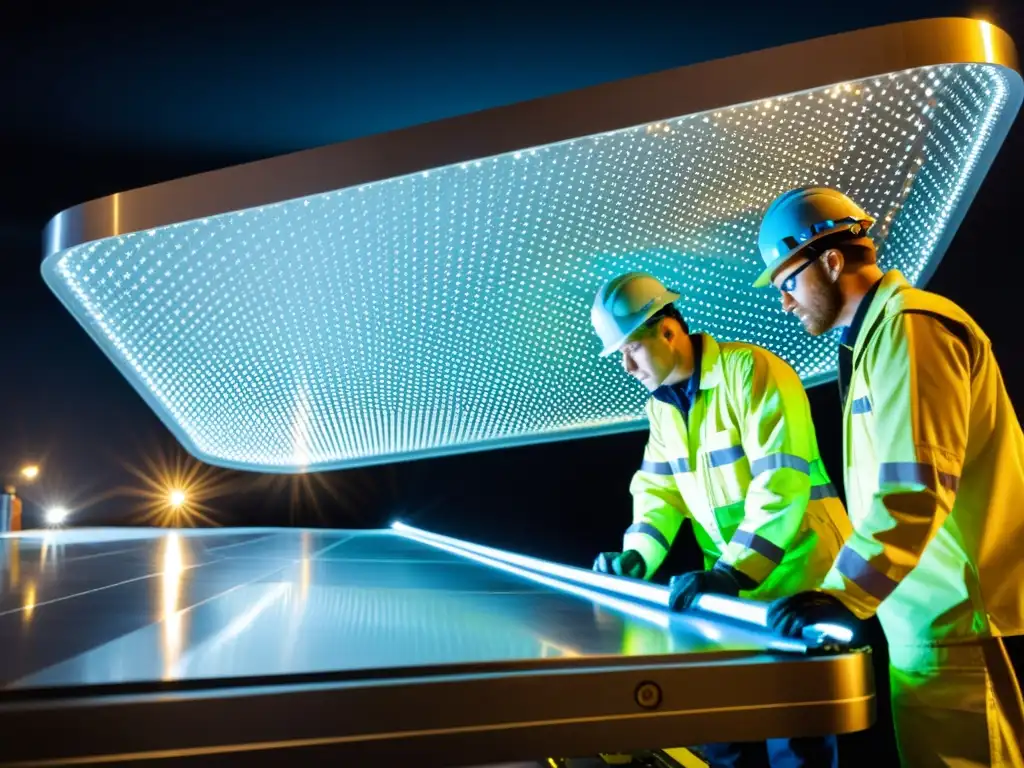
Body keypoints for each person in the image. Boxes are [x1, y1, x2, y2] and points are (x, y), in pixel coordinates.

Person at [753, 185, 1024, 767]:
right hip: (923, 617)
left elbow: (915, 487)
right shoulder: (880, 339)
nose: (785, 302)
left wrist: (842, 594)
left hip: (953, 620)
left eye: (787, 283)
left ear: (830, 261)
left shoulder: (912, 328)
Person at [589, 271, 852, 767]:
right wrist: (637, 556)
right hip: (732, 594)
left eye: (632, 349)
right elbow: (658, 494)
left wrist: (732, 572)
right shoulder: (664, 409)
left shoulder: (750, 370)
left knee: (795, 741)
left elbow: (781, 483)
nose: (625, 366)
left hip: (799, 589)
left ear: (668, 331)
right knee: (724, 738)